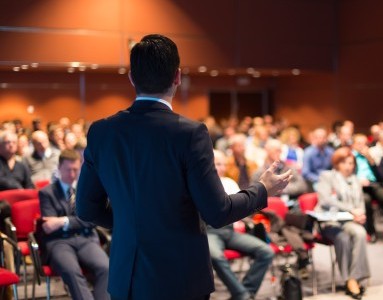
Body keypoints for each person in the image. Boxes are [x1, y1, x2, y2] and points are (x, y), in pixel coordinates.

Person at [75, 34, 291, 300]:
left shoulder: (101, 132)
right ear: (177, 77)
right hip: (180, 277)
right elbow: (217, 212)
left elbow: (85, 208)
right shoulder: (190, 134)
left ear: (132, 77)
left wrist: (130, 222)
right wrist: (263, 190)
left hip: (126, 277)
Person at [39, 149, 110, 300]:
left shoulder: (86, 190)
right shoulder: (46, 193)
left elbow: (91, 220)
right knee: (72, 271)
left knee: (106, 268)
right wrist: (78, 221)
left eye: (75, 170)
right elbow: (49, 226)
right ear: (58, 168)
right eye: (68, 170)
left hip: (85, 239)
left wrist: (63, 221)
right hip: (59, 242)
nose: (72, 174)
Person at [209, 150, 274, 300]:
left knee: (266, 251)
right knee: (216, 256)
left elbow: (241, 207)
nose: (222, 168)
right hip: (211, 231)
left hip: (229, 231)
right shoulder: (202, 185)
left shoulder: (229, 182)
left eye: (224, 164)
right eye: (218, 164)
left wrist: (240, 220)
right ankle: (242, 295)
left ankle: (245, 293)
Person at [316, 147, 370, 300]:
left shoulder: (355, 179)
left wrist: (360, 214)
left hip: (349, 221)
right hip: (330, 221)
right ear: (337, 163)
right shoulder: (327, 177)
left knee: (360, 233)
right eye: (345, 163)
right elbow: (325, 200)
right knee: (343, 238)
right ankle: (350, 280)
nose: (349, 166)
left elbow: (360, 203)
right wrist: (352, 210)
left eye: (351, 163)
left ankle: (352, 279)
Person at [351, 134, 383, 243]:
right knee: (366, 200)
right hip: (358, 188)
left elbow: (381, 176)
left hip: (373, 185)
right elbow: (347, 176)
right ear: (353, 145)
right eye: (359, 143)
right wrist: (358, 181)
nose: (362, 146)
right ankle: (370, 231)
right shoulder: (350, 157)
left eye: (364, 144)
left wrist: (371, 160)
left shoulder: (370, 157)